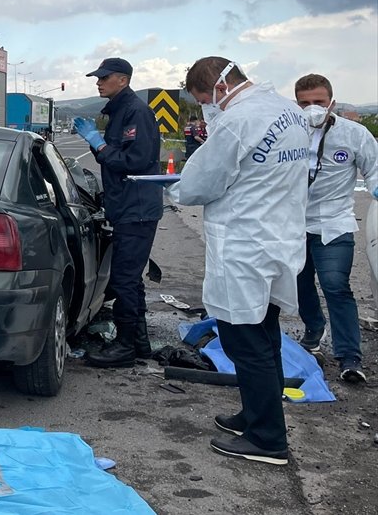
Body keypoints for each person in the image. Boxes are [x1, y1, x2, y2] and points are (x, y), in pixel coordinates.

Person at [168, 56, 309, 466]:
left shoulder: (236, 121)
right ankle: (253, 414)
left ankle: (268, 439)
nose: (208, 108)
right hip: (278, 240)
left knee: (245, 342)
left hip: (244, 246)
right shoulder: (288, 111)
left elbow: (198, 185)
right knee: (264, 334)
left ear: (218, 87)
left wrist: (175, 189)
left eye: (204, 100)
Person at [73, 57, 163, 368]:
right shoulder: (121, 111)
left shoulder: (136, 111)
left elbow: (135, 160)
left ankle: (125, 347)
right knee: (130, 280)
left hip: (136, 208)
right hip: (128, 206)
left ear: (122, 80)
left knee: (124, 280)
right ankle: (138, 343)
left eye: (104, 77)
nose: (98, 82)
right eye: (97, 77)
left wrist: (98, 145)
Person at [292, 74, 378, 384]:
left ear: (332, 101)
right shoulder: (287, 134)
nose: (311, 108)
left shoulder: (354, 134)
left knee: (336, 286)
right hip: (293, 225)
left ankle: (349, 356)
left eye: (318, 102)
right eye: (304, 103)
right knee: (299, 285)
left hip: (334, 223)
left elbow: (374, 166)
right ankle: (314, 330)